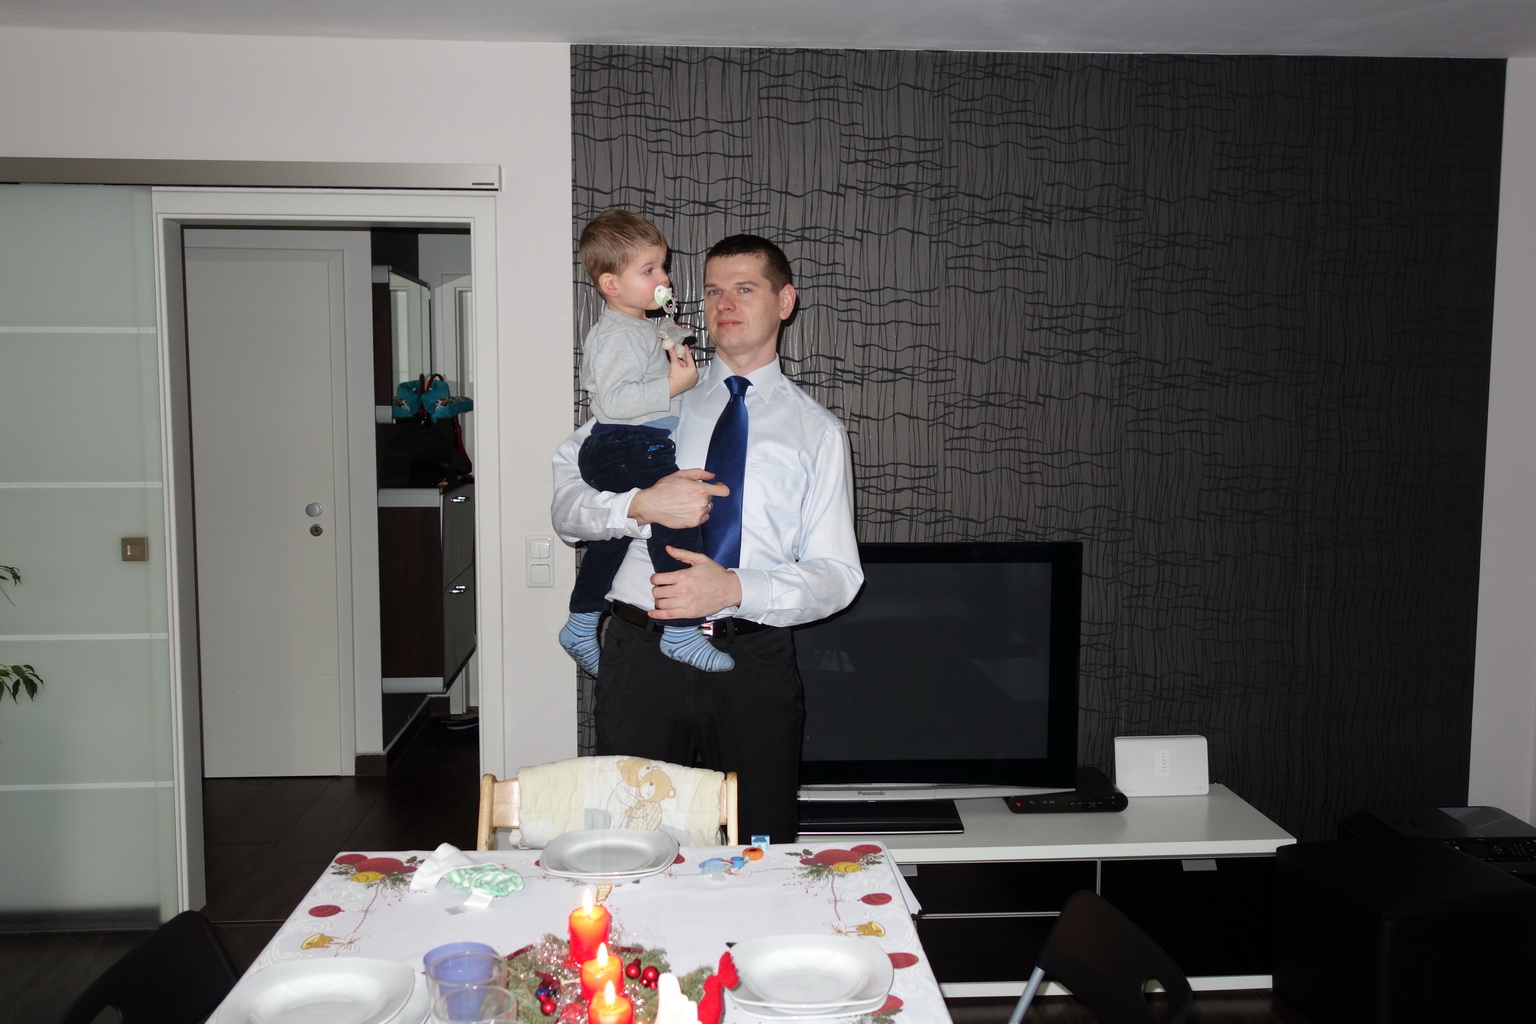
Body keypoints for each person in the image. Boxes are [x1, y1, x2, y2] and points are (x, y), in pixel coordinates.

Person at [551, 233, 863, 842]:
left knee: (761, 845)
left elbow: (838, 575)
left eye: (745, 288)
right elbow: (567, 508)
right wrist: (638, 506)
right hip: (641, 659)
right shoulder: (654, 397)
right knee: (630, 845)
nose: (724, 303)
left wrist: (733, 589)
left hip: (753, 664)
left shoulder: (817, 432)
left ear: (785, 301)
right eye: (714, 290)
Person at [559, 210, 736, 678]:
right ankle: (680, 630)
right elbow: (614, 403)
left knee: (619, 533)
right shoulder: (614, 333)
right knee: (678, 516)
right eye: (649, 270)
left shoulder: (638, 326)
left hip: (631, 443)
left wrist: (672, 353)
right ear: (611, 284)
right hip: (626, 442)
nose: (664, 279)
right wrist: (674, 385)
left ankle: (581, 621)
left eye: (663, 267)